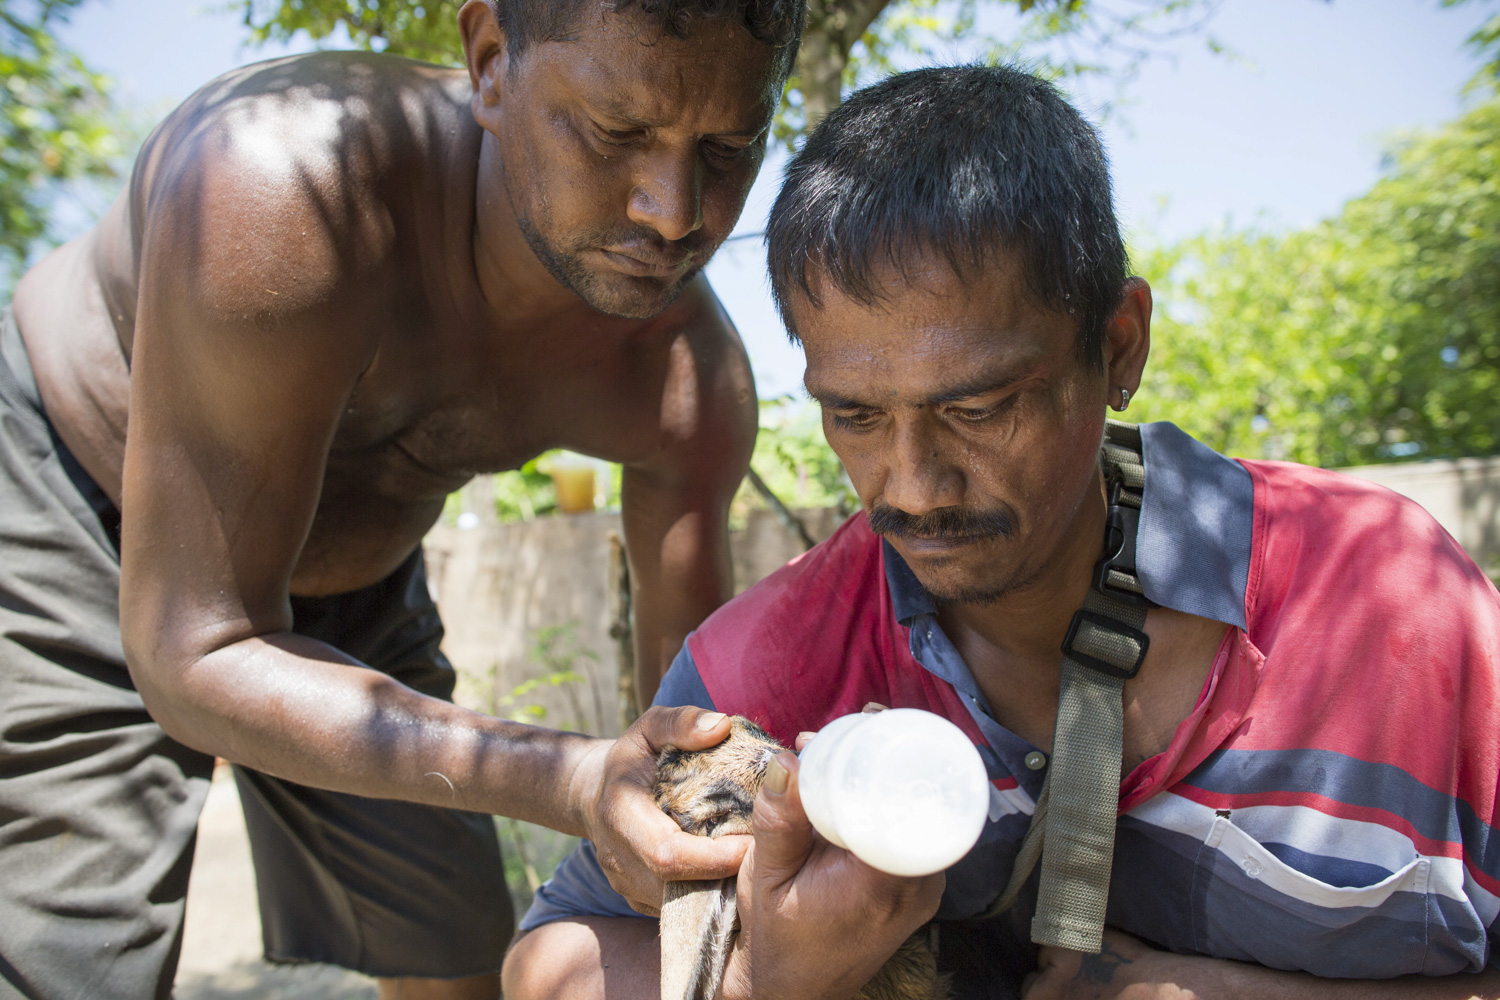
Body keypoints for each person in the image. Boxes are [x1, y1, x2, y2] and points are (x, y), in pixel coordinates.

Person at [502, 65, 1500, 1000]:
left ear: (1119, 347)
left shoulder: (1398, 607)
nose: (914, 486)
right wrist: (767, 977)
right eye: (854, 414)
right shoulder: (766, 670)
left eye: (979, 408)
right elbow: (545, 965)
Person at [0, 0, 806, 996]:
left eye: (728, 147)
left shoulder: (684, 380)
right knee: (74, 954)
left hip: (357, 588)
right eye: (617, 131)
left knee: (458, 948)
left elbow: (685, 737)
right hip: (80, 504)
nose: (674, 210)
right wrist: (567, 775)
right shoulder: (282, 183)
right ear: (492, 60)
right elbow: (192, 648)